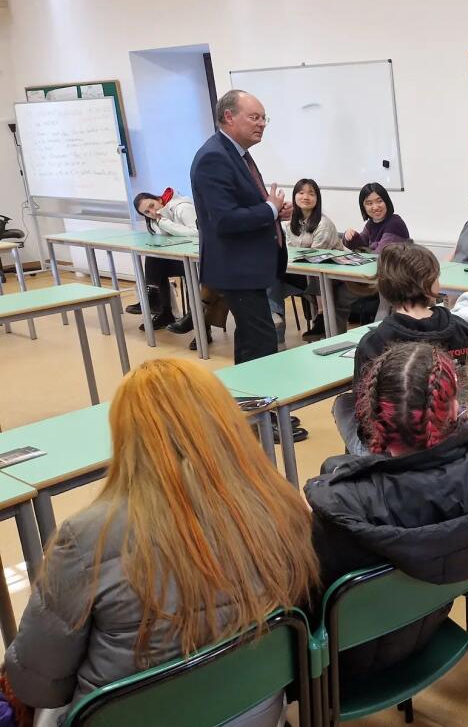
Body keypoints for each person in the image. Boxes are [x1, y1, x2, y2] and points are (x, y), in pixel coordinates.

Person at [4, 359, 319, 726]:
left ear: (125, 436)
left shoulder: (86, 539)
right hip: (256, 713)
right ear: (226, 424)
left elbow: (36, 685)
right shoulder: (280, 504)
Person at [305, 342, 468, 686]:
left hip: (350, 662)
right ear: (453, 407)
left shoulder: (341, 504)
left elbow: (311, 602)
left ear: (374, 416)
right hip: (435, 620)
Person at [333, 243, 468, 455]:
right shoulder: (462, 329)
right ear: (431, 284)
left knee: (343, 404)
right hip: (457, 429)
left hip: (398, 445)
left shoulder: (374, 342)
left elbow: (366, 411)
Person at [190, 89, 291, 364]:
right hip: (238, 269)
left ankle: (256, 406)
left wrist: (274, 212)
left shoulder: (237, 153)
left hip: (251, 268)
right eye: (254, 117)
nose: (262, 124)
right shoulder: (214, 157)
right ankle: (261, 406)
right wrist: (269, 208)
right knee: (260, 344)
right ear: (229, 117)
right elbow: (224, 219)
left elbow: (242, 205)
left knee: (254, 343)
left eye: (263, 118)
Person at [271, 178, 343, 341]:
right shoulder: (288, 224)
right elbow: (285, 248)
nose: (306, 197)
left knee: (274, 283)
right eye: (301, 192)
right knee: (271, 279)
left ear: (317, 199)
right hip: (299, 274)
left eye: (311, 193)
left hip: (322, 277)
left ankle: (319, 318)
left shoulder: (324, 224)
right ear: (294, 196)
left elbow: (316, 257)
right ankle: (277, 332)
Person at [130, 189, 199, 332]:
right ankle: (163, 310)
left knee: (160, 262)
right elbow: (164, 237)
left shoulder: (182, 207)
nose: (152, 212)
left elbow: (196, 233)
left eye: (152, 205)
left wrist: (166, 223)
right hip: (182, 258)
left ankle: (199, 323)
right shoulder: (158, 218)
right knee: (154, 257)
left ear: (159, 199)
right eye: (146, 213)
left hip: (199, 260)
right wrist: (160, 222)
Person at [343, 182, 410, 252]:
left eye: (379, 201)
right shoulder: (371, 223)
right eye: (369, 203)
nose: (375, 207)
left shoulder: (395, 223)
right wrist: (350, 236)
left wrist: (366, 249)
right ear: (363, 207)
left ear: (386, 202)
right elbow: (360, 244)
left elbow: (380, 254)